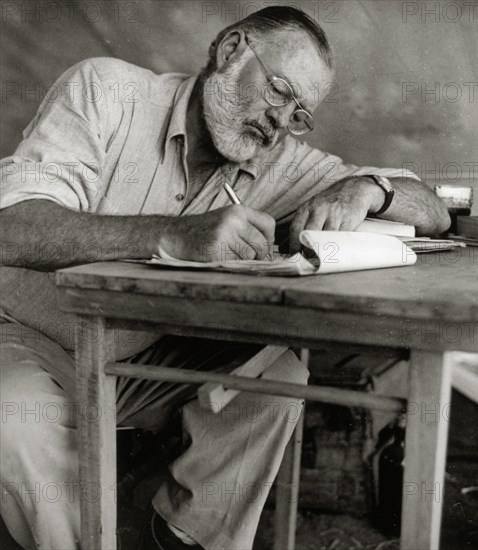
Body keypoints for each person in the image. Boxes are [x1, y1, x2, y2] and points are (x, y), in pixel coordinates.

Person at [0, 6, 450, 550]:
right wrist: (173, 235)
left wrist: (370, 189)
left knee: (277, 379)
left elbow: (434, 210)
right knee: (12, 415)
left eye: (300, 113)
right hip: (28, 337)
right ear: (231, 50)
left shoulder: (280, 160)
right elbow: (14, 226)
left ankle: (179, 538)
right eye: (279, 91)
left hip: (139, 360)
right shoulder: (106, 90)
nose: (280, 121)